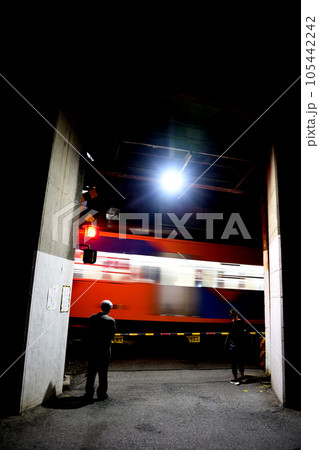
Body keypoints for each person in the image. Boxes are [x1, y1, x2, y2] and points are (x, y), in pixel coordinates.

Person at [82, 300, 117, 402]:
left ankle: (88, 394)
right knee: (103, 374)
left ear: (101, 307)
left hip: (92, 350)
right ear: (109, 309)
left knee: (91, 373)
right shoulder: (110, 320)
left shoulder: (92, 318)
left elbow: (88, 334)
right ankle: (101, 394)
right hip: (104, 352)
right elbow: (112, 336)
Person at [225, 308, 247, 385]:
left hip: (233, 347)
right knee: (241, 361)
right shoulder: (242, 322)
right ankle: (243, 377)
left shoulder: (230, 324)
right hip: (241, 346)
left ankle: (236, 379)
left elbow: (230, 335)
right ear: (237, 314)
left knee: (234, 363)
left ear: (231, 315)